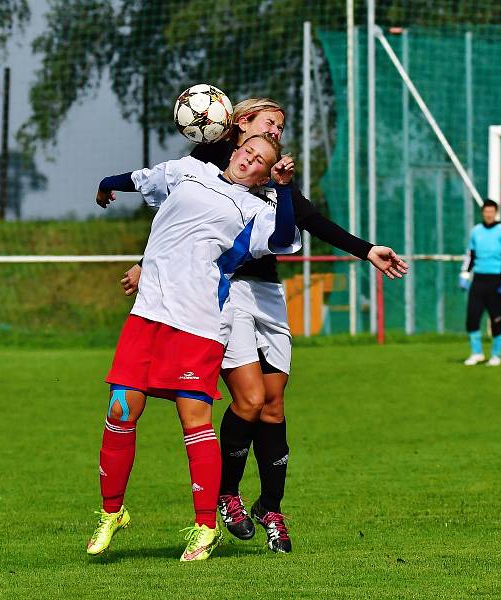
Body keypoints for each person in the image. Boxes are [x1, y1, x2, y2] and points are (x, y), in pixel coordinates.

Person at [120, 98, 408, 553]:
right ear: (241, 124)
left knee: (273, 404)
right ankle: (226, 495)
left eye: (280, 125)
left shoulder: (273, 176)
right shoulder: (212, 163)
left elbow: (313, 222)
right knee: (249, 398)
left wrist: (367, 249)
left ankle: (270, 505)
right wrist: (143, 265)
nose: (277, 130)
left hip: (269, 295)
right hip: (227, 293)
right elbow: (179, 223)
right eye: (270, 122)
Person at [87, 134, 301, 562]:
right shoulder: (189, 171)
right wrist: (106, 182)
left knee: (194, 421)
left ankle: (205, 526)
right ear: (236, 149)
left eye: (260, 161)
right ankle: (112, 513)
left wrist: (283, 187)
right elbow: (142, 178)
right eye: (248, 151)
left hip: (199, 321)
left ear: (262, 173)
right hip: (148, 313)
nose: (250, 161)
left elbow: (282, 238)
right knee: (121, 410)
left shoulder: (258, 208)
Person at [459, 199, 501, 366]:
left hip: (497, 280)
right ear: (483, 212)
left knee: (496, 318)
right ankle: (477, 353)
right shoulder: (476, 231)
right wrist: (464, 274)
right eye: (486, 211)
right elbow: (470, 254)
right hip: (479, 280)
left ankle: (496, 355)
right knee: (472, 317)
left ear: (495, 212)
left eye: (491, 211)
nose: (488, 214)